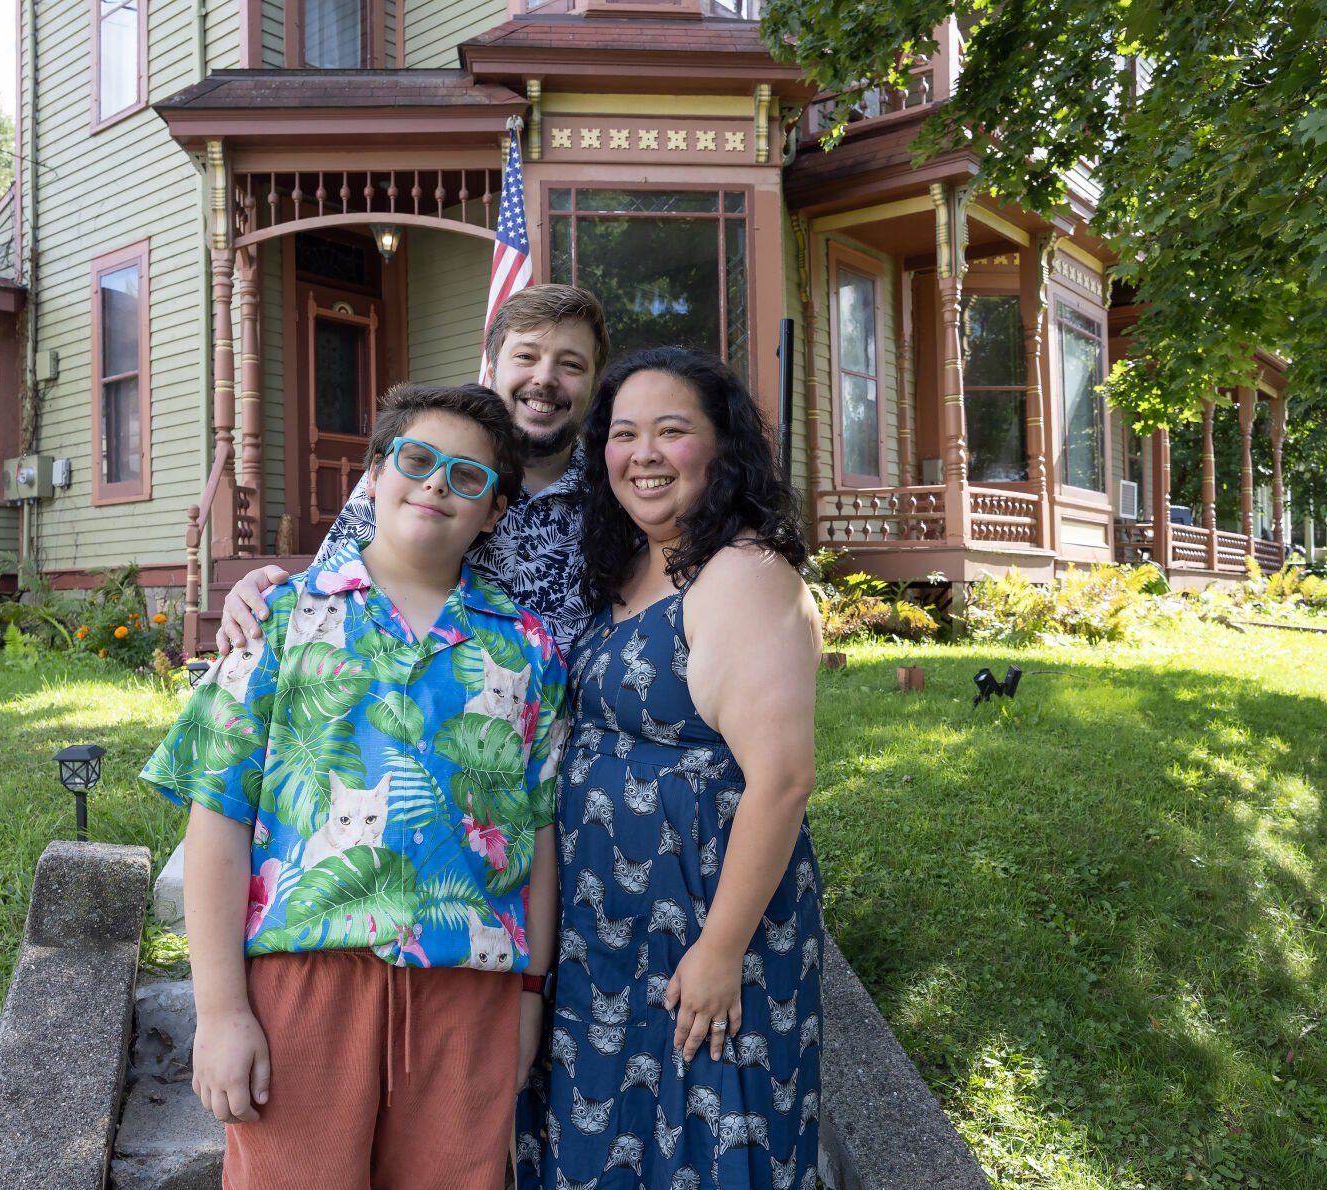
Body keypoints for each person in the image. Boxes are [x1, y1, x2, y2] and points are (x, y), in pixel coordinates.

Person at [141, 383, 569, 1189]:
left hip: (466, 990)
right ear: (372, 476)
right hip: (304, 983)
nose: (438, 484)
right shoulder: (278, 621)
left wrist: (527, 997)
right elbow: (217, 822)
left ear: (496, 512)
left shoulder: (528, 650)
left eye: (467, 477)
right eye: (417, 460)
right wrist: (223, 1012)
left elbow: (537, 836)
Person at [517, 347, 824, 1189]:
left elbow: (783, 778)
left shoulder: (744, 572)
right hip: (603, 926)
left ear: (721, 448)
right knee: (609, 1135)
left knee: (706, 1128)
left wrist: (721, 950)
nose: (642, 454)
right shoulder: (632, 564)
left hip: (700, 922)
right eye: (622, 434)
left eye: (670, 431)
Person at [216, 283, 609, 659]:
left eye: (571, 364)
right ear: (491, 368)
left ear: (594, 384)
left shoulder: (616, 498)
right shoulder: (413, 473)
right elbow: (332, 592)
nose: (544, 378)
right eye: (526, 356)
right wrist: (265, 600)